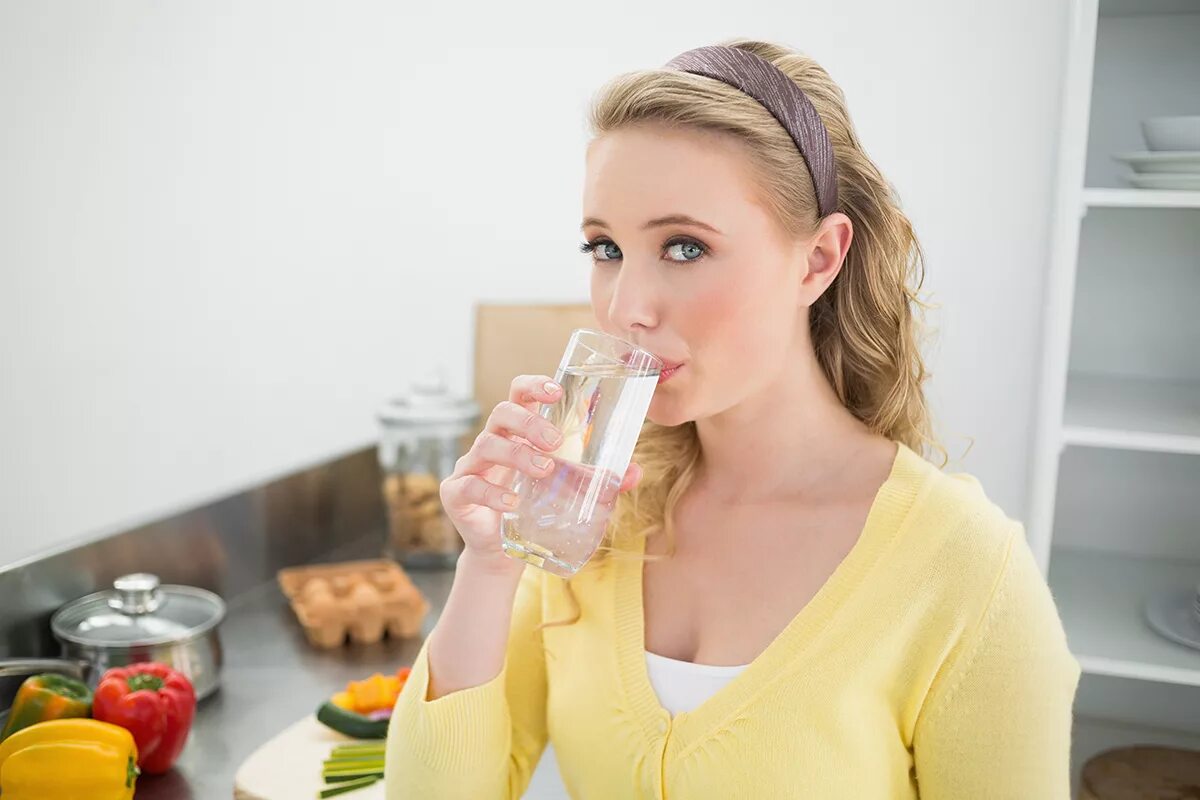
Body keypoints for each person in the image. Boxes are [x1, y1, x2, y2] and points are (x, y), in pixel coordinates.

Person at [385, 38, 1080, 799]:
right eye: (605, 247)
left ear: (817, 259)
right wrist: (488, 570)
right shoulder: (590, 516)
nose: (626, 308)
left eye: (684, 247)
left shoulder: (967, 574)